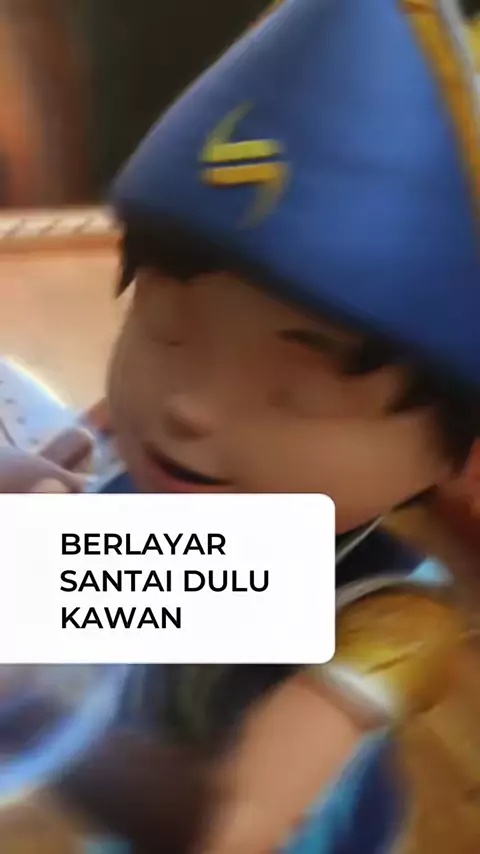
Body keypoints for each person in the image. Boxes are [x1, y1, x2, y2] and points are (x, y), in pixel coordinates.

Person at [2, 0, 480, 852]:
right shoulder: (149, 469)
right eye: (165, 330)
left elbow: (242, 812)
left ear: (457, 450)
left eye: (296, 394)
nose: (189, 407)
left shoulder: (383, 612)